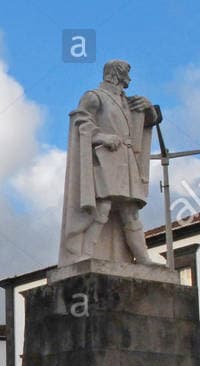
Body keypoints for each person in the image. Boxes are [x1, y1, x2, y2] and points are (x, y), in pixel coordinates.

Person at [58, 58, 164, 267]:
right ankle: (85, 254)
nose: (129, 79)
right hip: (105, 160)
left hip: (126, 161)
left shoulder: (128, 100)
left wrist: (149, 107)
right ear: (116, 74)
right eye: (126, 74)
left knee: (130, 211)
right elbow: (81, 122)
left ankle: (143, 259)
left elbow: (149, 121)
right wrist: (102, 137)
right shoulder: (94, 96)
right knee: (103, 207)